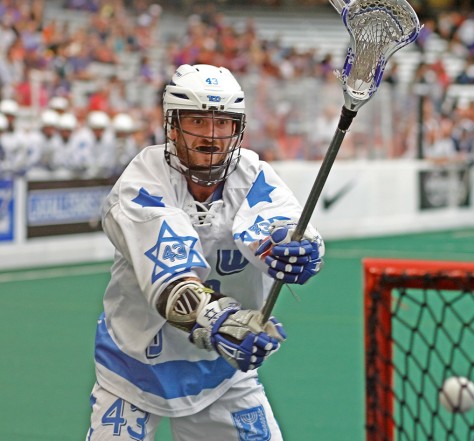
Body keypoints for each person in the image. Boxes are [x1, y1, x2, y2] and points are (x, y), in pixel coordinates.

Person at [86, 64, 324, 441]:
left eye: (222, 123)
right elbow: (173, 282)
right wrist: (222, 322)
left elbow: (284, 225)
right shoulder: (142, 182)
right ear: (172, 126)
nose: (211, 135)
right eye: (197, 121)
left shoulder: (254, 175)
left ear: (237, 129)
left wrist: (299, 250)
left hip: (221, 373)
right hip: (133, 368)